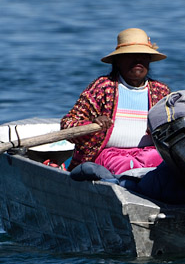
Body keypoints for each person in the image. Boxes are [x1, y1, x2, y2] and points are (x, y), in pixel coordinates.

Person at [61, 28, 172, 174]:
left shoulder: (160, 91)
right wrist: (94, 123)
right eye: (131, 55)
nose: (138, 60)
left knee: (165, 162)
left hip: (148, 153)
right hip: (108, 154)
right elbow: (68, 125)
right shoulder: (102, 87)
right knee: (126, 165)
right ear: (118, 61)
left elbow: (173, 128)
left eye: (143, 56)